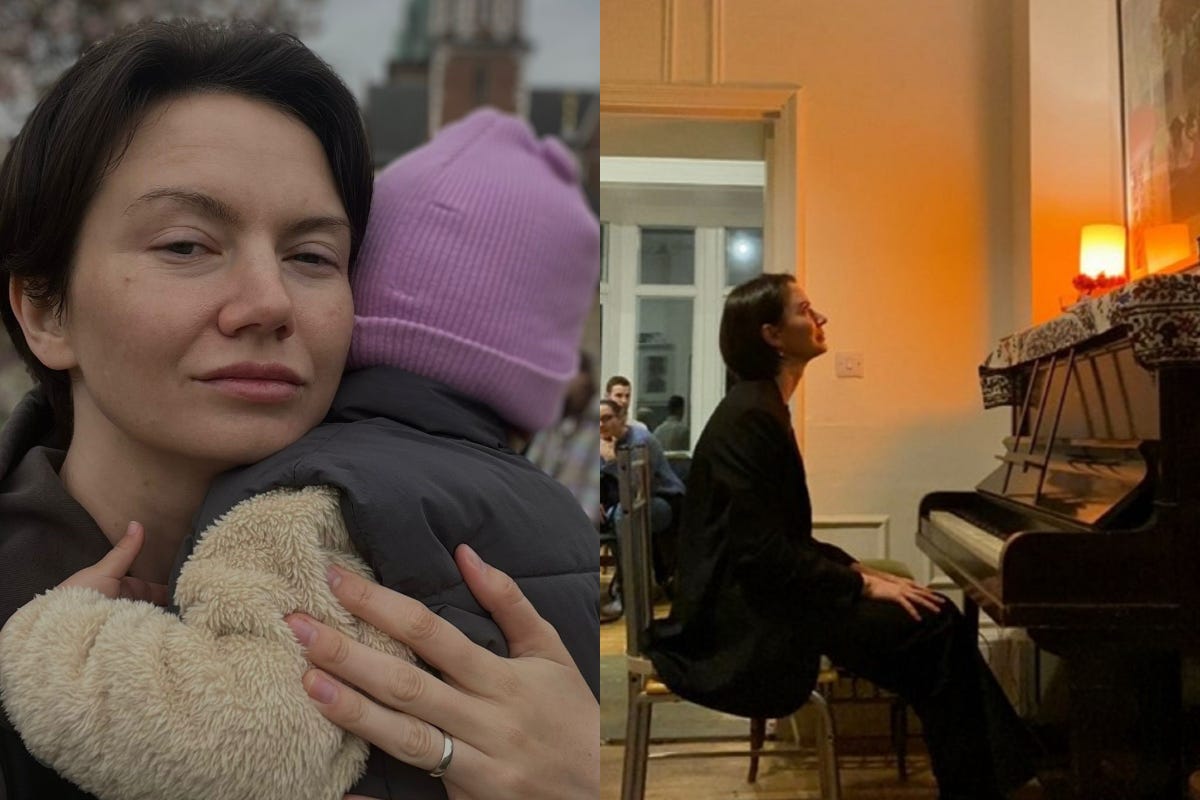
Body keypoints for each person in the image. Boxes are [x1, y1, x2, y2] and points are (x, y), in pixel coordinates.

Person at [0, 20, 596, 800]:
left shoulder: (454, 583)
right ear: (47, 310)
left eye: (312, 256)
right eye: (186, 245)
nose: (269, 302)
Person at [646, 274, 1037, 800]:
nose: (820, 318)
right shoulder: (751, 418)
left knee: (935, 622)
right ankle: (992, 780)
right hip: (743, 618)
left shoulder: (759, 407)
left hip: (765, 595)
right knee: (937, 628)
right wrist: (861, 586)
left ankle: (996, 775)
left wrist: (858, 571)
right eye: (805, 310)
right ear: (773, 335)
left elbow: (780, 538)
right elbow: (762, 553)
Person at [600, 398, 684, 620]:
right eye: (597, 420)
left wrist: (611, 460)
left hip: (663, 501)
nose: (601, 425)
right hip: (625, 502)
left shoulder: (641, 440)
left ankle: (628, 593)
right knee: (609, 514)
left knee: (622, 517)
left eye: (607, 418)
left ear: (621, 418)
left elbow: (637, 488)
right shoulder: (601, 441)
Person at [526, 352, 602, 524]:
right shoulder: (554, 421)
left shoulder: (597, 427)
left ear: (584, 377)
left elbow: (589, 504)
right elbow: (527, 471)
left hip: (571, 529)